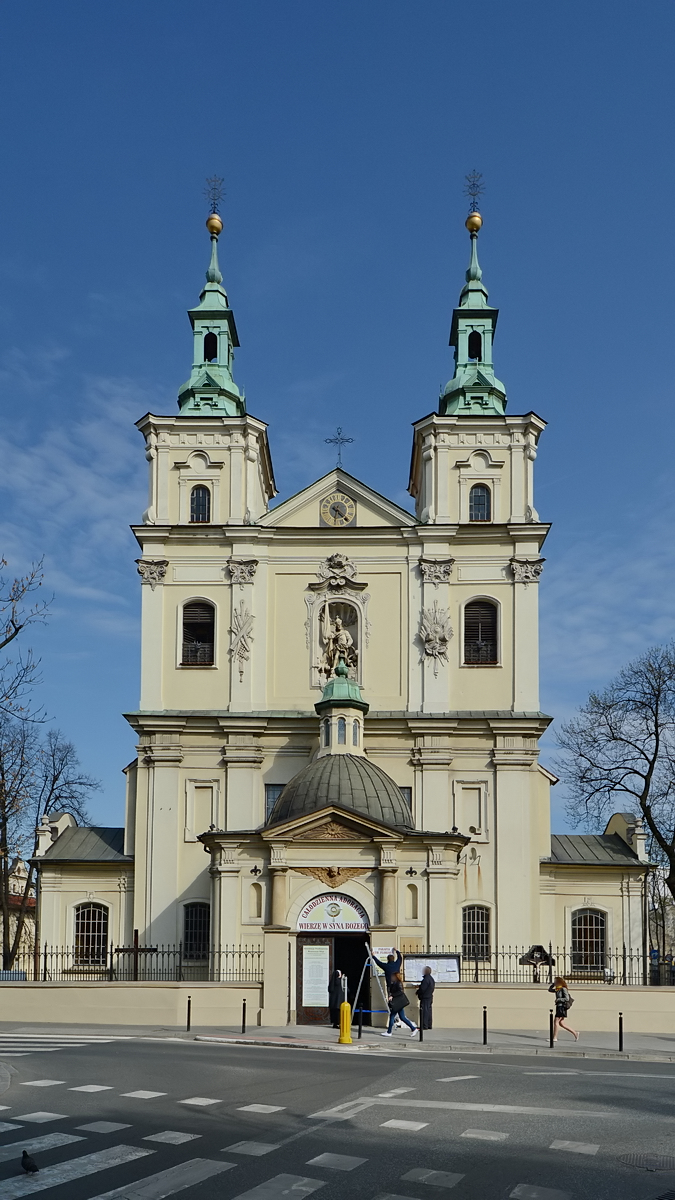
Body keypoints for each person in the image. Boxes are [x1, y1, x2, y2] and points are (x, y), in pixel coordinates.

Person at [381, 972, 418, 1038]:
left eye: (393, 976)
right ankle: (413, 1028)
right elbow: (391, 990)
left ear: (396, 977)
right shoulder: (394, 983)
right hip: (397, 1003)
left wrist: (392, 996)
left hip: (398, 1003)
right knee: (402, 1017)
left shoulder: (398, 983)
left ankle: (389, 1032)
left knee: (392, 1016)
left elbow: (400, 992)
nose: (391, 978)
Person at [548, 975, 579, 1043]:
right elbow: (550, 990)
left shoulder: (563, 989)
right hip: (558, 1006)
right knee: (561, 1023)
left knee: (556, 1022)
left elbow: (567, 998)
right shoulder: (557, 989)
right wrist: (553, 984)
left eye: (556, 981)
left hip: (562, 1007)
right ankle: (575, 1033)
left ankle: (554, 1038)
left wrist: (558, 999)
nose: (555, 982)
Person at [416, 965, 435, 1029]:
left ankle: (424, 1025)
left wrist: (418, 992)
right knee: (429, 1011)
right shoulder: (431, 979)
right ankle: (429, 1025)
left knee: (424, 1011)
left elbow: (422, 989)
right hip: (429, 997)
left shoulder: (425, 980)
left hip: (425, 997)